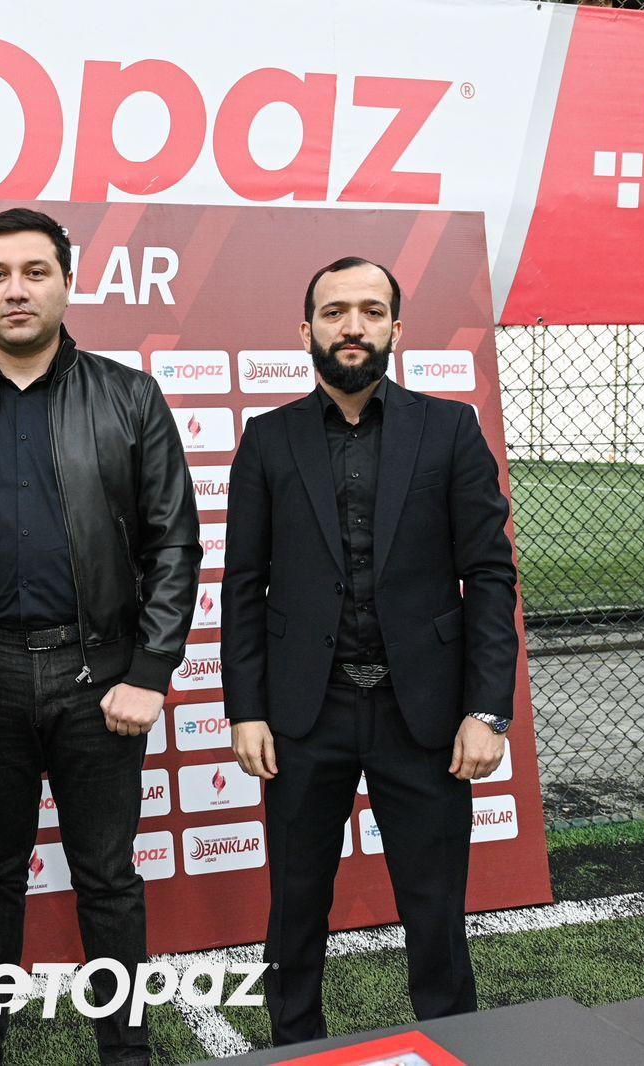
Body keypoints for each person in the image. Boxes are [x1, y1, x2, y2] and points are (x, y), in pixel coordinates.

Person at [0, 208, 200, 1066]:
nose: (15, 290)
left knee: (108, 877)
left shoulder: (129, 397)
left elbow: (173, 542)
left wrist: (150, 670)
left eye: (34, 272)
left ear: (66, 281)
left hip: (100, 677)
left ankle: (125, 1049)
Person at [222, 257, 518, 1046]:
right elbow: (243, 584)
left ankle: (454, 1045)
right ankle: (296, 1047)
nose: (351, 326)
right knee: (295, 907)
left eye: (370, 311)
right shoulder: (268, 439)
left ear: (395, 328)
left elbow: (490, 575)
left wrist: (487, 710)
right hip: (303, 715)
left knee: (435, 910)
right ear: (307, 331)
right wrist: (246, 709)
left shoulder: (449, 430)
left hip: (422, 714)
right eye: (334, 312)